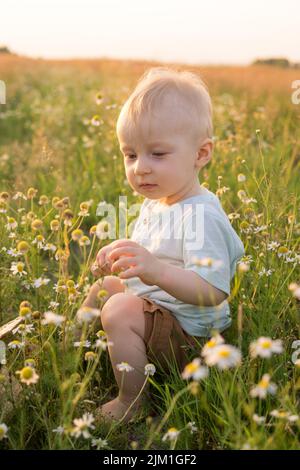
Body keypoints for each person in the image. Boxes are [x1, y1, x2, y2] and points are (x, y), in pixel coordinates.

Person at [78, 67, 245, 423]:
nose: (140, 168)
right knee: (105, 289)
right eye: (130, 154)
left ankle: (132, 402)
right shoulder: (159, 203)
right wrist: (121, 256)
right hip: (161, 311)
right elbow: (149, 257)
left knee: (120, 309)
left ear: (201, 154)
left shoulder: (201, 215)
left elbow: (212, 291)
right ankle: (68, 350)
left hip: (192, 336)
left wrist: (154, 270)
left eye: (157, 154)